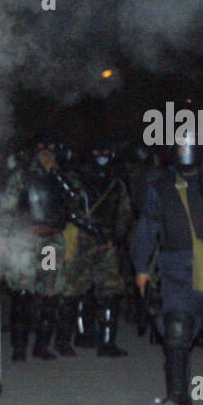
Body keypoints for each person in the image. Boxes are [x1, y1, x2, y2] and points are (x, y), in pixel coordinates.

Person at [130, 128, 203, 405]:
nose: (185, 148)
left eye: (190, 143)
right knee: (176, 333)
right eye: (179, 144)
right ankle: (179, 399)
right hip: (176, 270)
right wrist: (141, 267)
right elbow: (148, 227)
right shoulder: (161, 183)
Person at [1, 133, 78, 360]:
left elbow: (75, 199)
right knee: (22, 293)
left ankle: (42, 346)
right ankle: (19, 347)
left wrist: (57, 174)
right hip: (24, 240)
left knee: (48, 291)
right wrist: (4, 239)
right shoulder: (22, 176)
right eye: (42, 148)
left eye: (50, 148)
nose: (46, 153)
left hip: (49, 242)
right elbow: (7, 208)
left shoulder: (61, 177)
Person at [69, 139, 134, 357]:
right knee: (82, 289)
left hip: (106, 243)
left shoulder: (116, 183)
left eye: (105, 150)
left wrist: (115, 237)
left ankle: (106, 342)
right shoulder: (77, 182)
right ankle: (84, 333)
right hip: (84, 240)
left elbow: (125, 213)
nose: (101, 154)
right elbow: (72, 211)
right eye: (97, 150)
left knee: (109, 292)